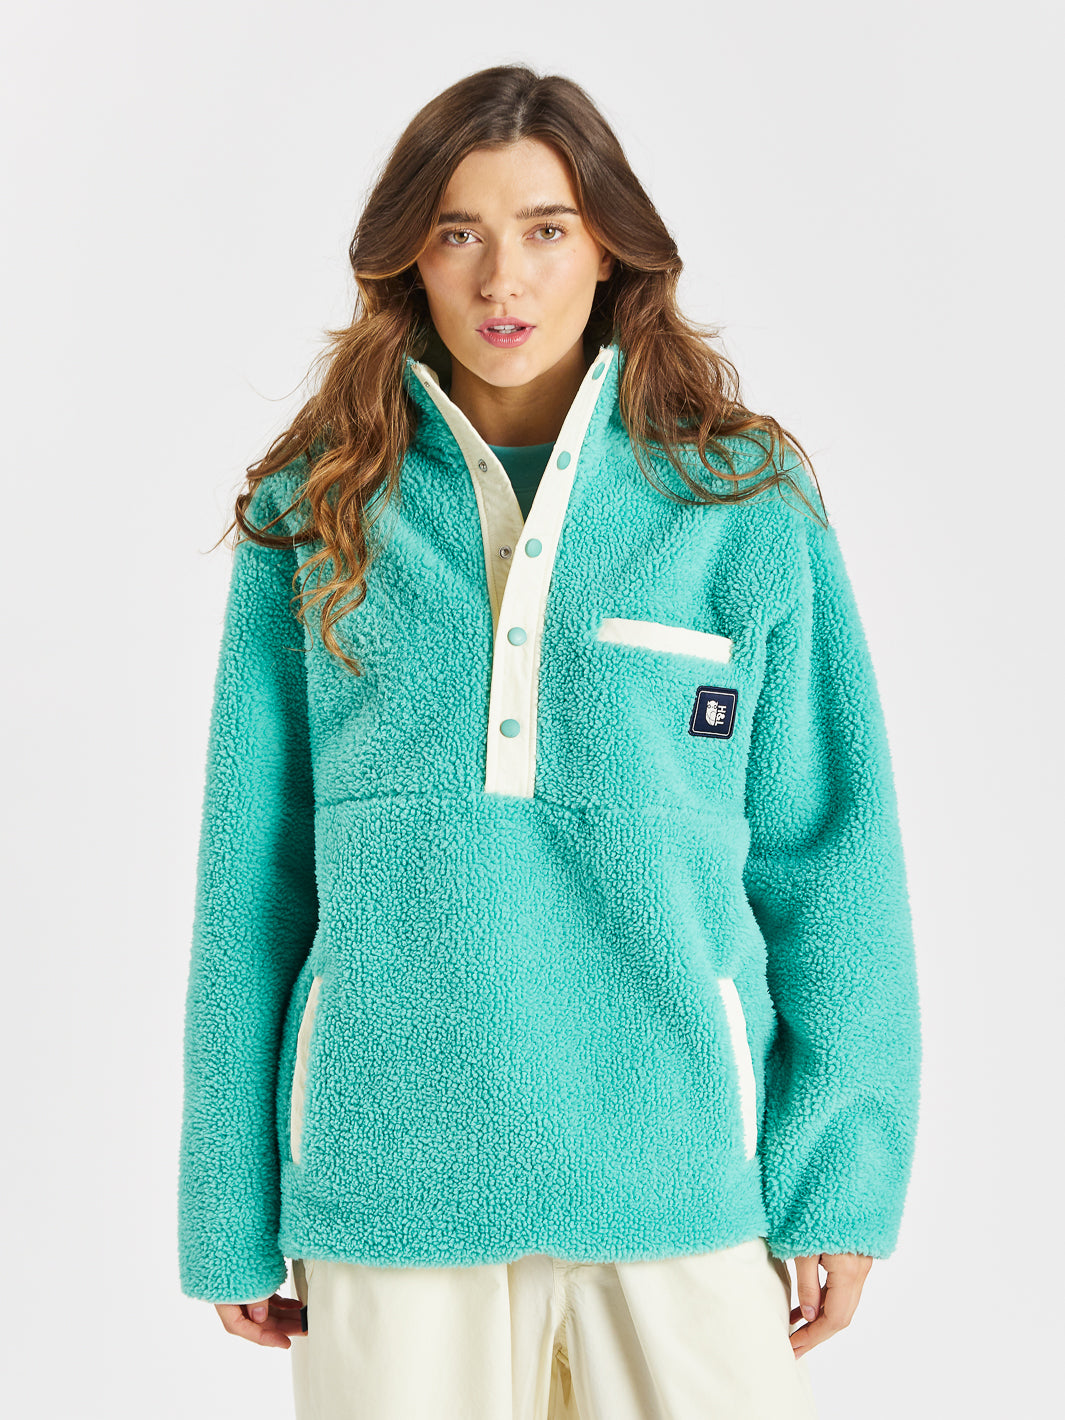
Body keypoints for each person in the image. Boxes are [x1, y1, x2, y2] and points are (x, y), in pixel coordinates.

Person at [177, 62, 922, 1420]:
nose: (500, 278)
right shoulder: (314, 511)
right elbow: (252, 879)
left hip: (681, 1176)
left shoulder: (739, 503)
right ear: (408, 258)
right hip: (388, 1178)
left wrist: (842, 1177)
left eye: (545, 229)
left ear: (610, 249)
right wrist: (224, 1205)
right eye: (457, 232)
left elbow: (832, 856)